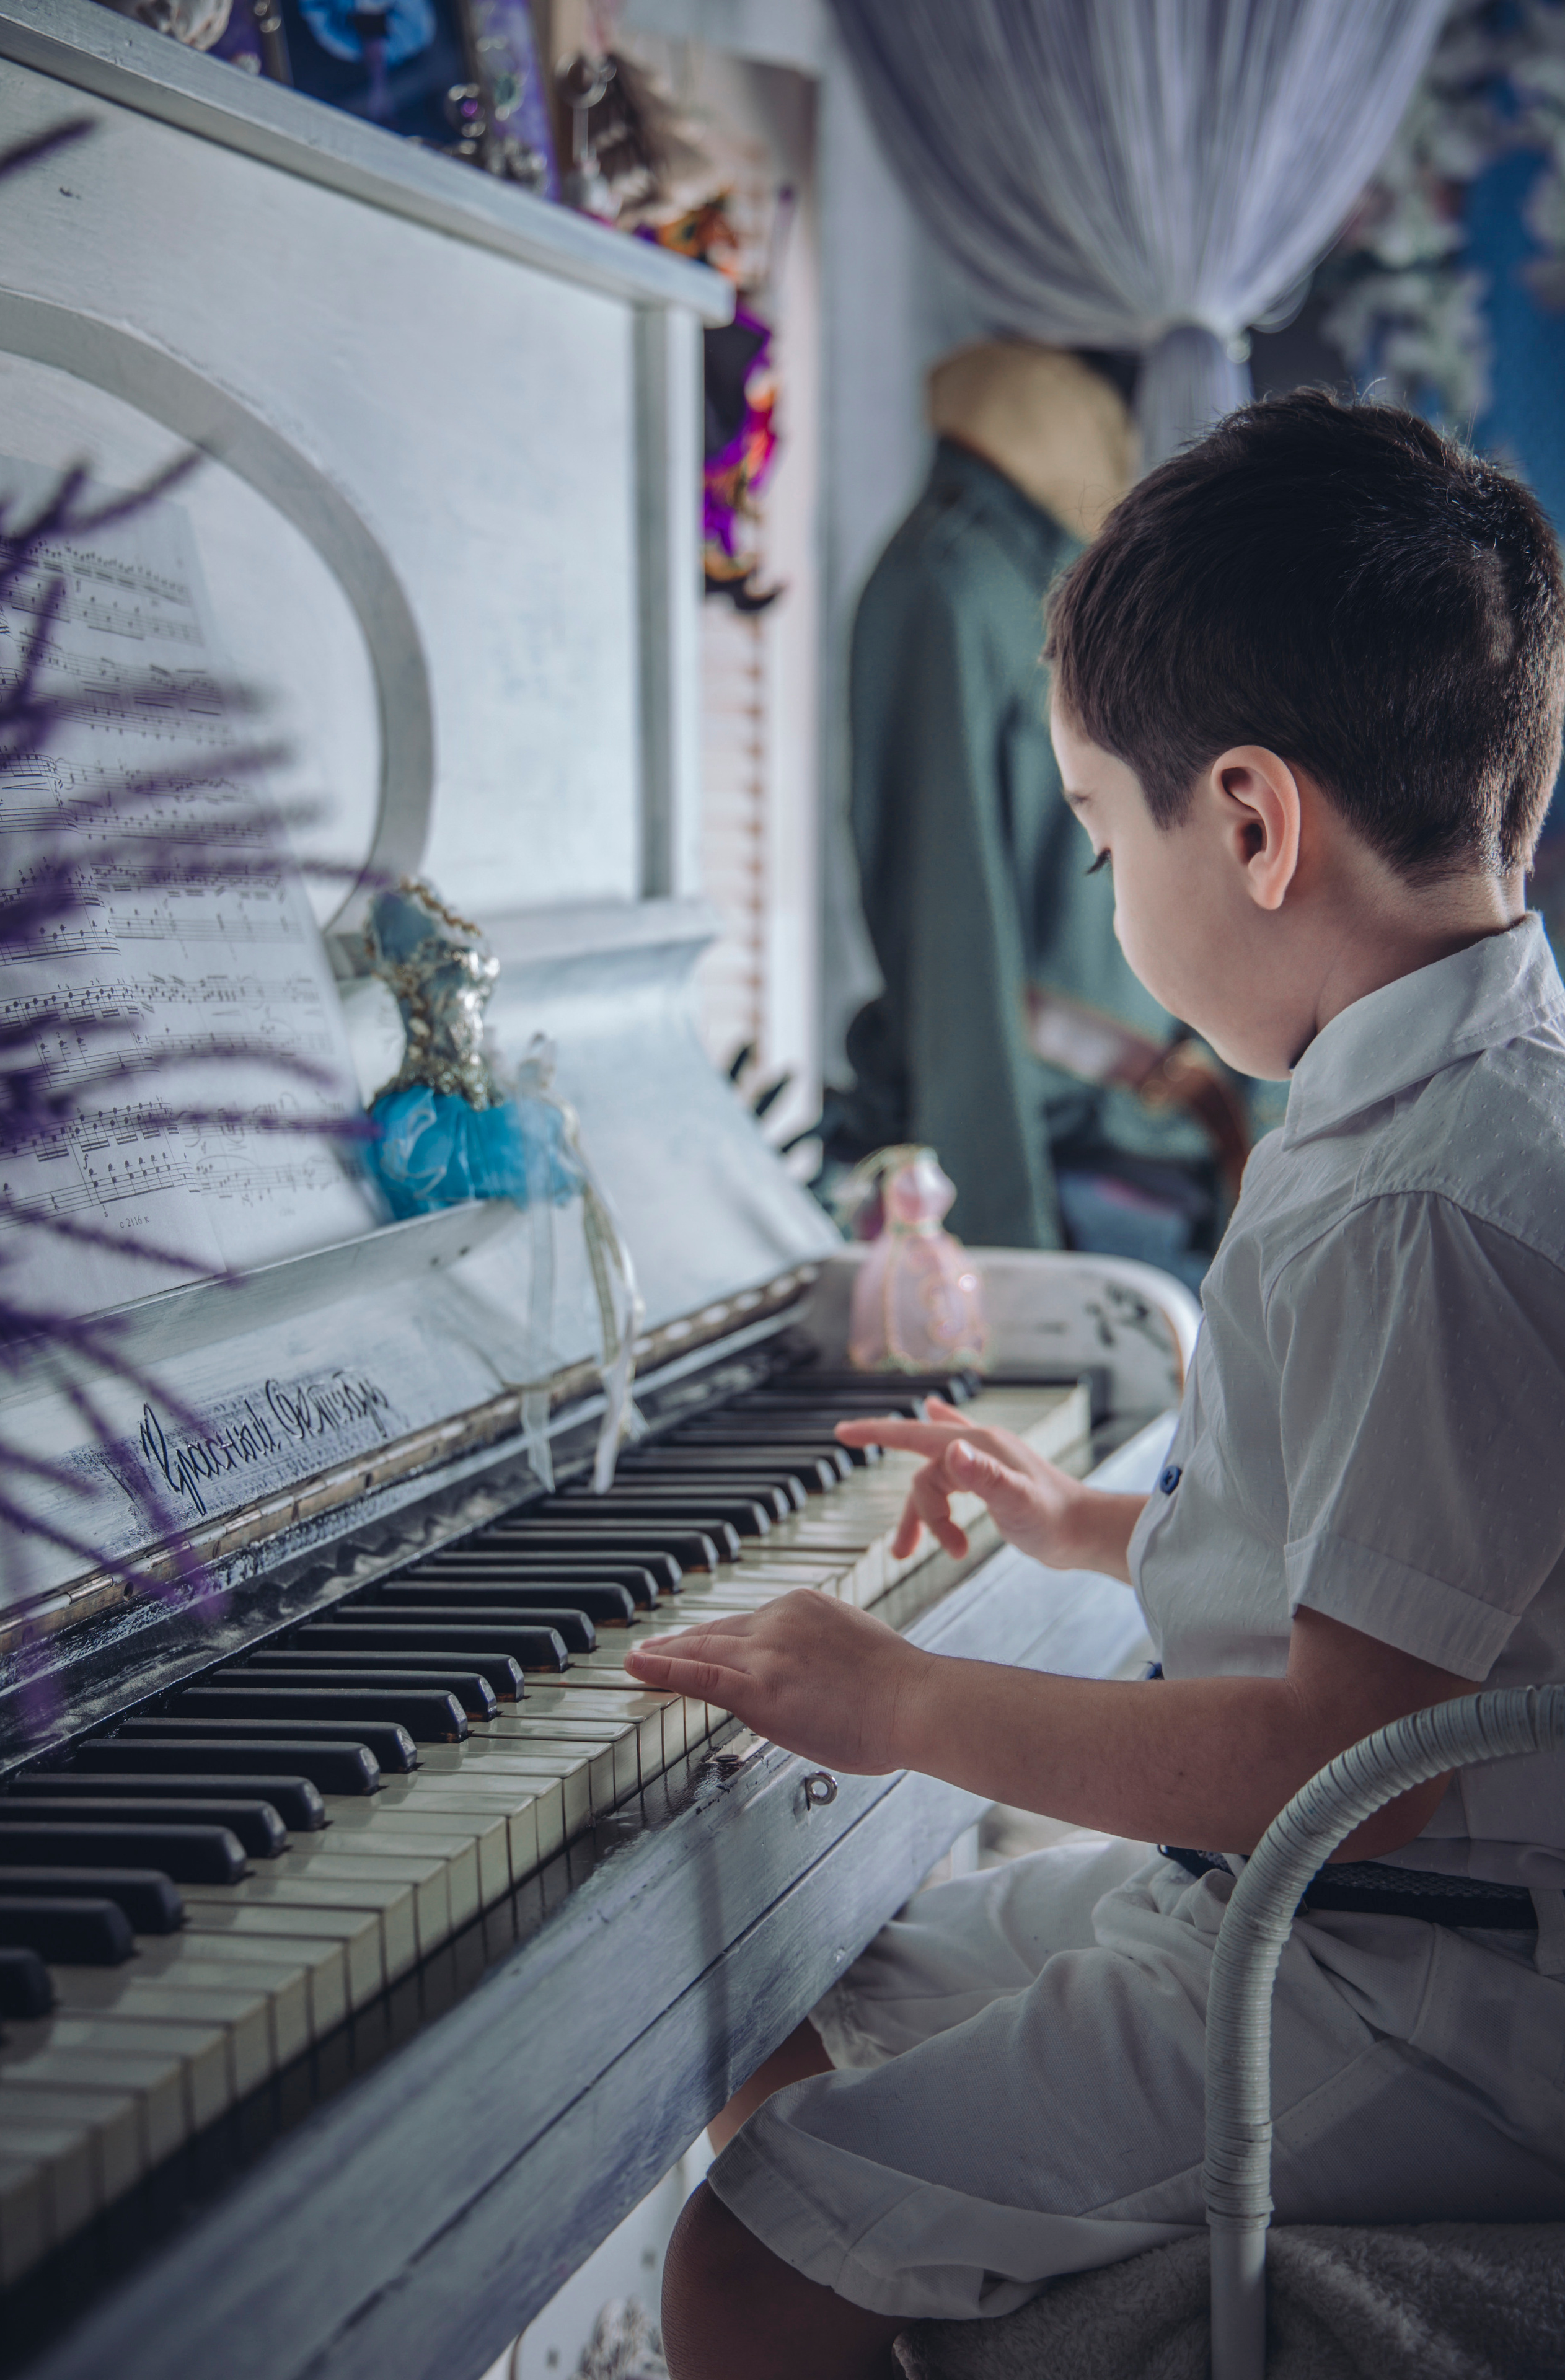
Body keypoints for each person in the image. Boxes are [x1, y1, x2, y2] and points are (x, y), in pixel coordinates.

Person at [627, 391, 1565, 2380]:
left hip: (1423, 1993)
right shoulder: (1449, 1091)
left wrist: (905, 1704)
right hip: (1352, 1923)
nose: (1108, 896)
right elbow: (1396, 1566)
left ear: (1251, 823)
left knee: (745, 2258)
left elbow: (1346, 1765)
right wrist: (1084, 1525)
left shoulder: (1419, 1201)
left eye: (1098, 834)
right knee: (796, 2006)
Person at [824, 339, 1238, 1277]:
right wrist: (1006, 1248)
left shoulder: (1089, 583)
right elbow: (952, 930)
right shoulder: (946, 581)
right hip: (1053, 1177)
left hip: (1169, 1152)